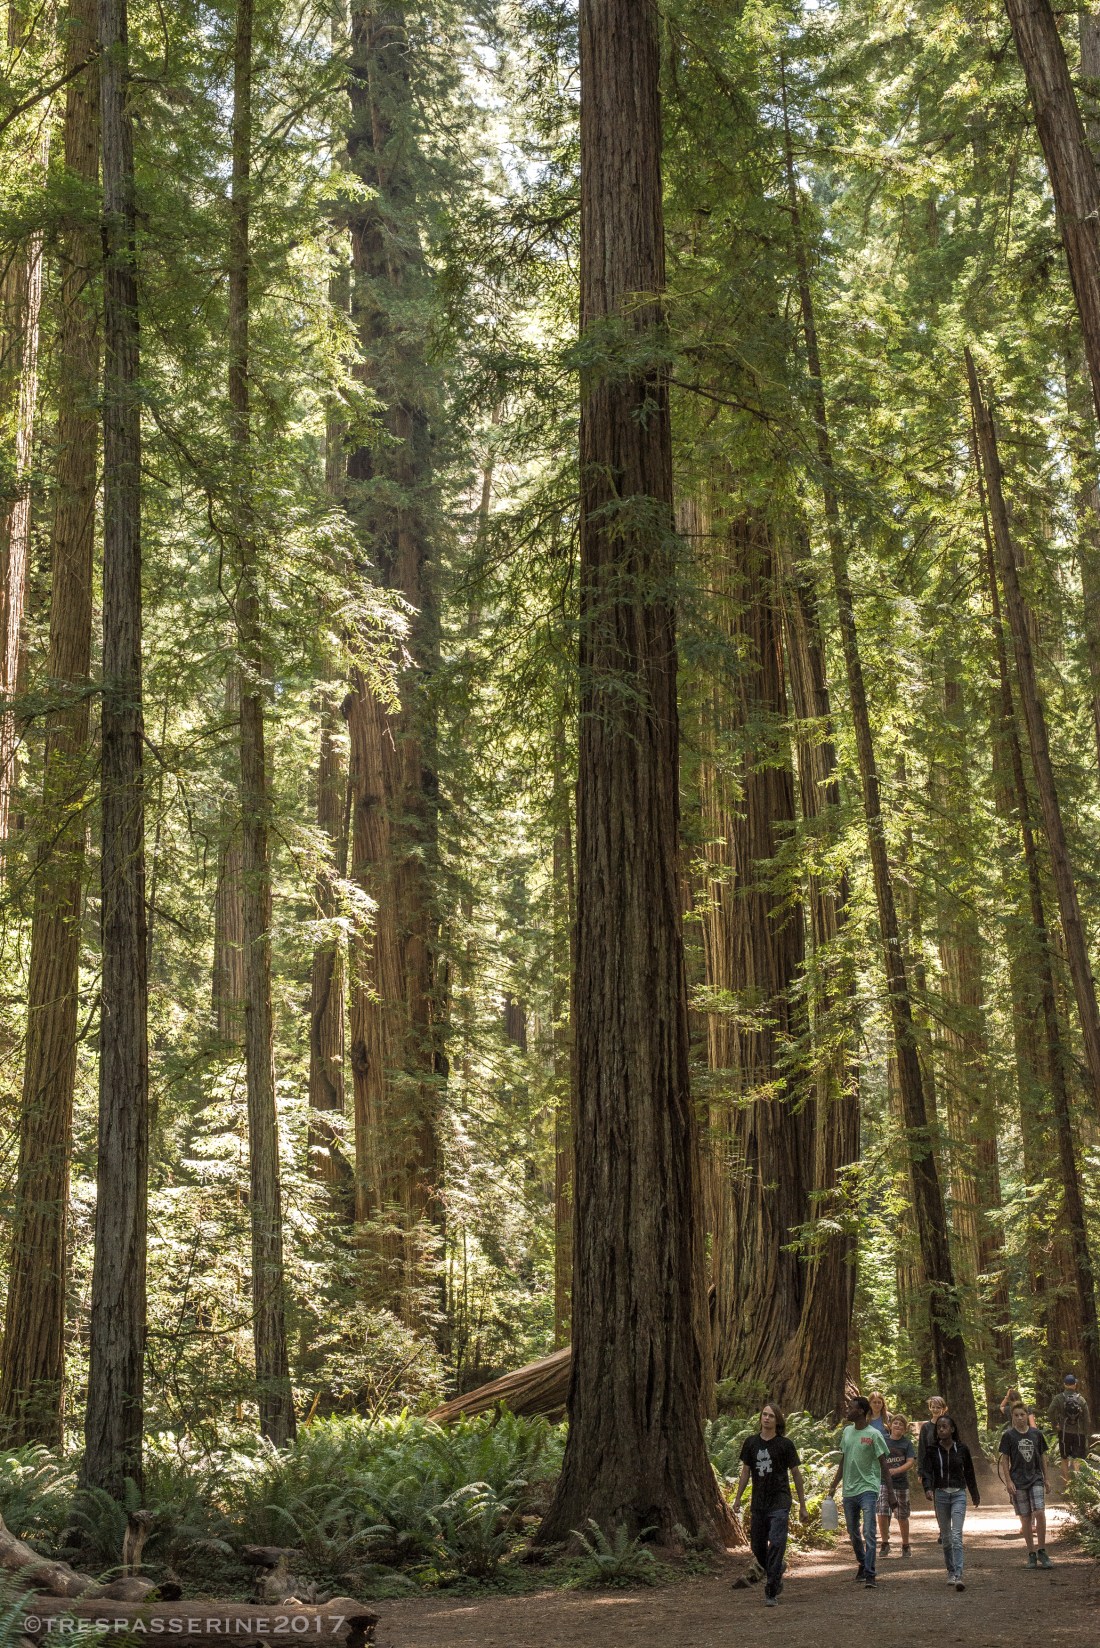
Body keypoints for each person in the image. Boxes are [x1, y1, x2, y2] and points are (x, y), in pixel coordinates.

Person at [732, 1401, 809, 1608]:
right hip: (759, 1502)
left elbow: (796, 1474)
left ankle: (771, 1590)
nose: (766, 1418)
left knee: (776, 1542)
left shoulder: (785, 1445)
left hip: (780, 1501)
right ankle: (777, 1567)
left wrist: (802, 1504)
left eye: (771, 1416)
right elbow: (745, 1472)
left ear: (777, 1420)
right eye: (764, 1415)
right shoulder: (750, 1443)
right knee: (757, 1546)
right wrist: (738, 1498)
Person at [827, 1394, 890, 1590]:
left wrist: (892, 1493)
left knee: (869, 1531)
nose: (847, 1410)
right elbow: (844, 1459)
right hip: (849, 1490)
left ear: (861, 1411)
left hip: (868, 1489)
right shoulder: (847, 1432)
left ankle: (870, 1573)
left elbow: (883, 1464)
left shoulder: (874, 1435)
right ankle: (862, 1563)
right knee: (853, 1532)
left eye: (850, 1407)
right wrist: (834, 1484)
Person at [921, 1412, 980, 1591]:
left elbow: (969, 1472)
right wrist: (928, 1488)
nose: (941, 1429)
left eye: (945, 1426)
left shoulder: (962, 1449)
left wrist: (974, 1494)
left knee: (956, 1535)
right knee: (946, 1538)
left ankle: (959, 1574)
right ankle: (951, 1571)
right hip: (940, 1495)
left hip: (958, 1494)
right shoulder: (932, 1450)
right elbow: (926, 1471)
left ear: (952, 1429)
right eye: (939, 1427)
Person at [998, 1399, 1052, 1569]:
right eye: (1016, 1415)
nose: (1020, 1418)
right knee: (1025, 1517)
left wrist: (1046, 1477)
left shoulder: (1036, 1434)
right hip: (1018, 1480)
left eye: (1023, 1415)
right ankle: (1031, 1553)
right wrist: (1008, 1481)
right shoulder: (1008, 1436)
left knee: (1040, 1512)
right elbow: (1005, 1460)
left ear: (1027, 1416)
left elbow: (1043, 1456)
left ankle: (1042, 1550)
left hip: (1035, 1477)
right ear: (1012, 1417)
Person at [877, 1412, 915, 1557]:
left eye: (901, 1424)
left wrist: (896, 1470)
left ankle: (905, 1545)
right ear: (890, 1425)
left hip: (901, 1483)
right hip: (883, 1482)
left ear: (905, 1429)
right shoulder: (883, 1440)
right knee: (881, 1512)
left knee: (901, 1515)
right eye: (895, 1423)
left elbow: (910, 1461)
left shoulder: (906, 1443)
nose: (898, 1425)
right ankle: (885, 1543)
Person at [1048, 1373, 1091, 1484]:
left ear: (1064, 1384)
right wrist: (1086, 1434)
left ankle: (1067, 1484)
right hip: (1079, 1433)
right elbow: (1087, 1418)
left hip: (1064, 1432)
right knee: (1078, 1459)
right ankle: (1078, 1484)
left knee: (1064, 1458)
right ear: (1075, 1385)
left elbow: (1050, 1411)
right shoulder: (1081, 1399)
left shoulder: (1058, 1398)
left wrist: (1055, 1425)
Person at [917, 1394, 948, 1543]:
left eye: (938, 1407)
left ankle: (949, 1529)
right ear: (930, 1408)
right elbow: (921, 1449)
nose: (935, 1409)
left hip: (948, 1468)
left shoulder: (949, 1424)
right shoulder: (926, 1427)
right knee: (938, 1501)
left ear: (944, 1409)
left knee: (950, 1498)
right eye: (933, 1407)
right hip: (932, 1468)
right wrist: (921, 1471)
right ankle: (943, 1531)